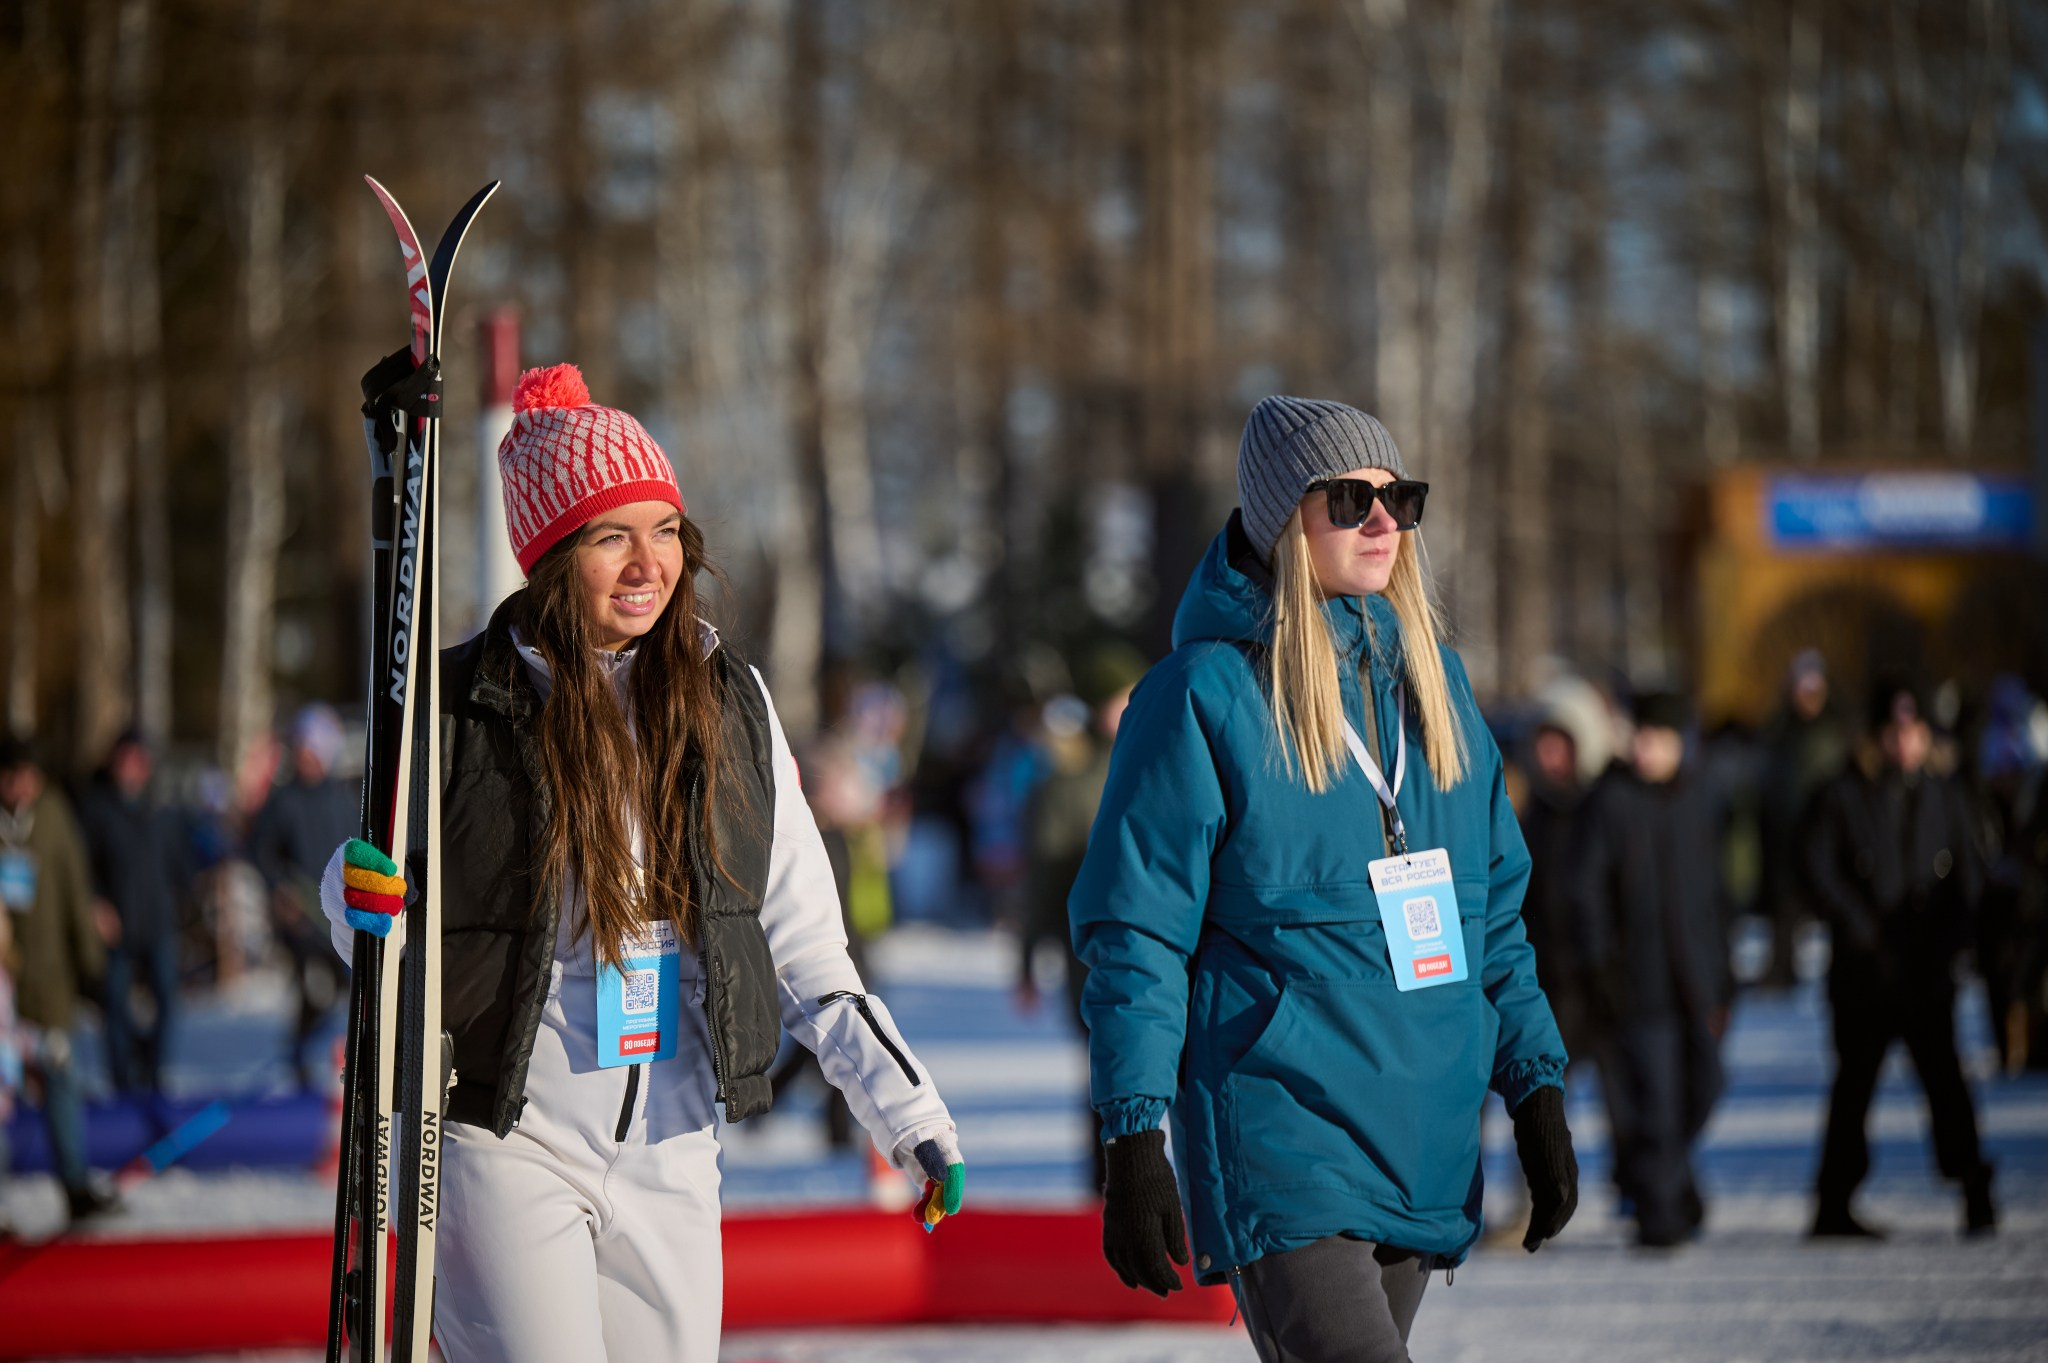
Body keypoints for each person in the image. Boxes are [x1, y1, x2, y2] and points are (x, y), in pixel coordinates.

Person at [318, 362, 965, 1361]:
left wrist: (907, 1112)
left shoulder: (729, 700)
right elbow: (368, 886)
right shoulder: (457, 703)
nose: (646, 562)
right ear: (551, 555)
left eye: (664, 530)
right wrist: (353, 895)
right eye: (610, 536)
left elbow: (806, 943)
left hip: (673, 1139)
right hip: (501, 1131)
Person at [1070, 396, 1576, 1362]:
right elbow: (1137, 931)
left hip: (1424, 1132)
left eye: (1400, 499)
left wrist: (1536, 1087)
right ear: (1281, 517)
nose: (1384, 522)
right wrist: (1133, 1133)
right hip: (1285, 1139)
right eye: (1350, 499)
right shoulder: (1201, 697)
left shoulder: (1439, 690)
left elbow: (1494, 917)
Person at [1805, 680, 1996, 1238]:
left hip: (1926, 973)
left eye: (1913, 732)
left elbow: (1970, 877)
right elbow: (1817, 868)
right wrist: (1861, 928)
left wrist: (1955, 941)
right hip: (1864, 976)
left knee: (1947, 1085)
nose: (1904, 744)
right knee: (1853, 1090)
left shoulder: (1945, 794)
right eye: (1893, 732)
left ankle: (1974, 1185)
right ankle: (1833, 1202)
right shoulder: (1843, 795)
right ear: (1875, 736)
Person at [1569, 691, 1731, 1249]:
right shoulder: (1612, 801)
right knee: (1656, 1101)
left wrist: (1724, 974)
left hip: (1695, 981)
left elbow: (1713, 893)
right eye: (1640, 737)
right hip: (1637, 985)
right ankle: (1661, 1213)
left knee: (1705, 1087)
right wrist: (1601, 967)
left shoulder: (1694, 799)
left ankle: (1660, 1181)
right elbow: (1584, 892)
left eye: (1657, 739)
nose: (1646, 749)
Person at [0, 735, 117, 1226]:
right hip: (3, 987)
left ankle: (74, 1185)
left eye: (26, 775)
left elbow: (74, 890)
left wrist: (90, 967)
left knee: (61, 1081)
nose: (18, 786)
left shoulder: (53, 820)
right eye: (10, 776)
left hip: (48, 984)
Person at [75, 729, 192, 1094]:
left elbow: (182, 864)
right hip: (117, 925)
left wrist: (186, 899)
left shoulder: (162, 811)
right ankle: (122, 1083)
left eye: (137, 761)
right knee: (115, 1006)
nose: (130, 768)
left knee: (167, 1001)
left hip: (157, 922)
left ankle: (154, 1074)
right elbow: (82, 868)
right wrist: (96, 905)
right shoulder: (97, 809)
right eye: (123, 760)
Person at [247, 705, 357, 1085]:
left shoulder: (345, 801)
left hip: (339, 919)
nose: (304, 757)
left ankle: (352, 1064)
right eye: (301, 749)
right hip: (302, 922)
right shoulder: (284, 801)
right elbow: (260, 851)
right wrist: (280, 889)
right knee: (313, 992)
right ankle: (298, 1063)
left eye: (312, 750)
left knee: (351, 991)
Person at [1756, 651, 1847, 989]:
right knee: (1785, 908)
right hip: (1787, 832)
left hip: (1824, 831)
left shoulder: (1835, 730)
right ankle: (1781, 970)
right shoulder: (1780, 731)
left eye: (1814, 691)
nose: (1808, 699)